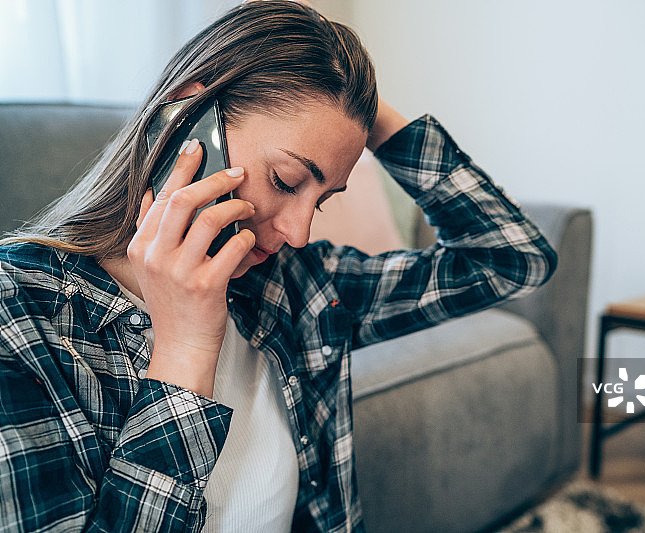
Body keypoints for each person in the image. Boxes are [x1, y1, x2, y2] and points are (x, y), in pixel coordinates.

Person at [0, 1, 556, 531]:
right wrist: (185, 349)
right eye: (286, 181)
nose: (299, 231)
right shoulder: (19, 315)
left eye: (322, 198)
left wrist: (356, 104)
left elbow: (511, 259)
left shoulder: (296, 287)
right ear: (188, 118)